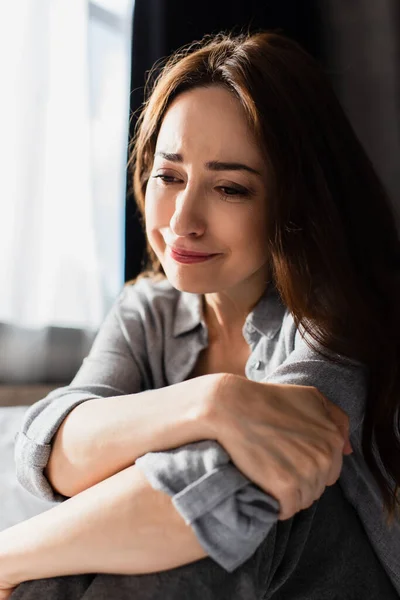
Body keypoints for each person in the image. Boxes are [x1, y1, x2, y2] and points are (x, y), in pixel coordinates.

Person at [1, 30, 399, 599]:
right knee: (94, 546)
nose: (182, 220)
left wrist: (8, 556)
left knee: (238, 521)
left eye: (231, 188)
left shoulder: (334, 316)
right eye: (169, 175)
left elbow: (222, 493)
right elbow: (52, 453)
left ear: (296, 200)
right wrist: (212, 401)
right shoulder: (151, 309)